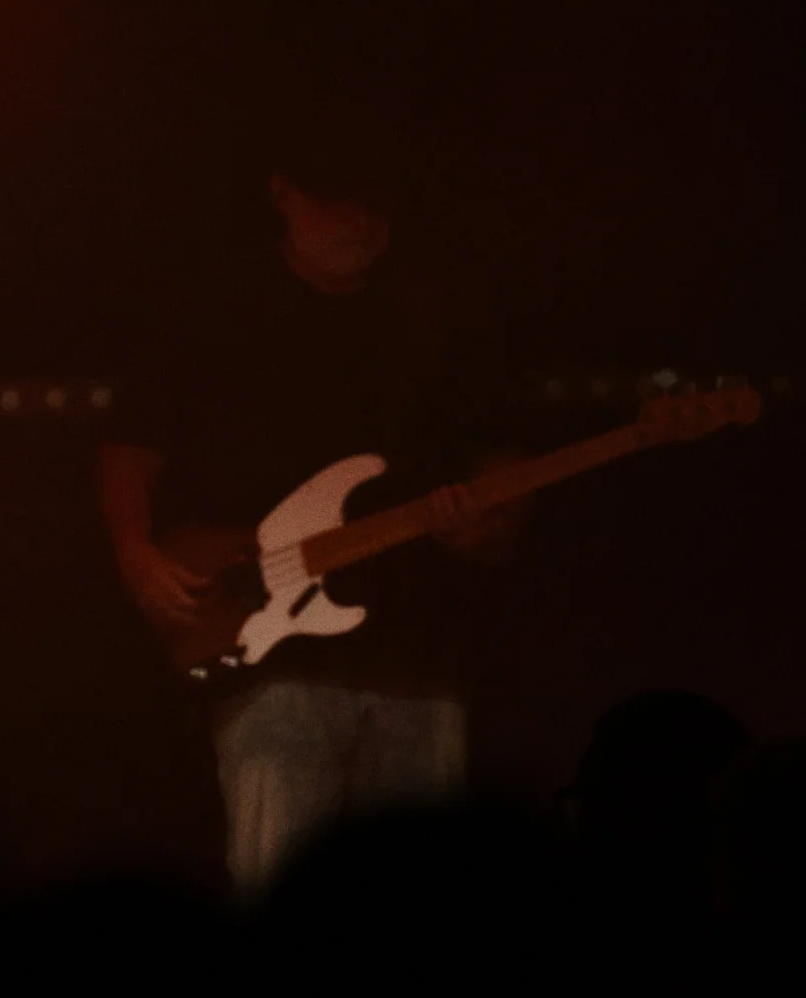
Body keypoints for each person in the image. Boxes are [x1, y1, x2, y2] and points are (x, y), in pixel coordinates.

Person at [97, 131, 521, 893]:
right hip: (271, 659)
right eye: (335, 202)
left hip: (417, 654)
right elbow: (132, 443)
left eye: (373, 207)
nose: (356, 223)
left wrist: (493, 522)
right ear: (283, 193)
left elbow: (498, 456)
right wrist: (136, 552)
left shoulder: (436, 320)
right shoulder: (216, 310)